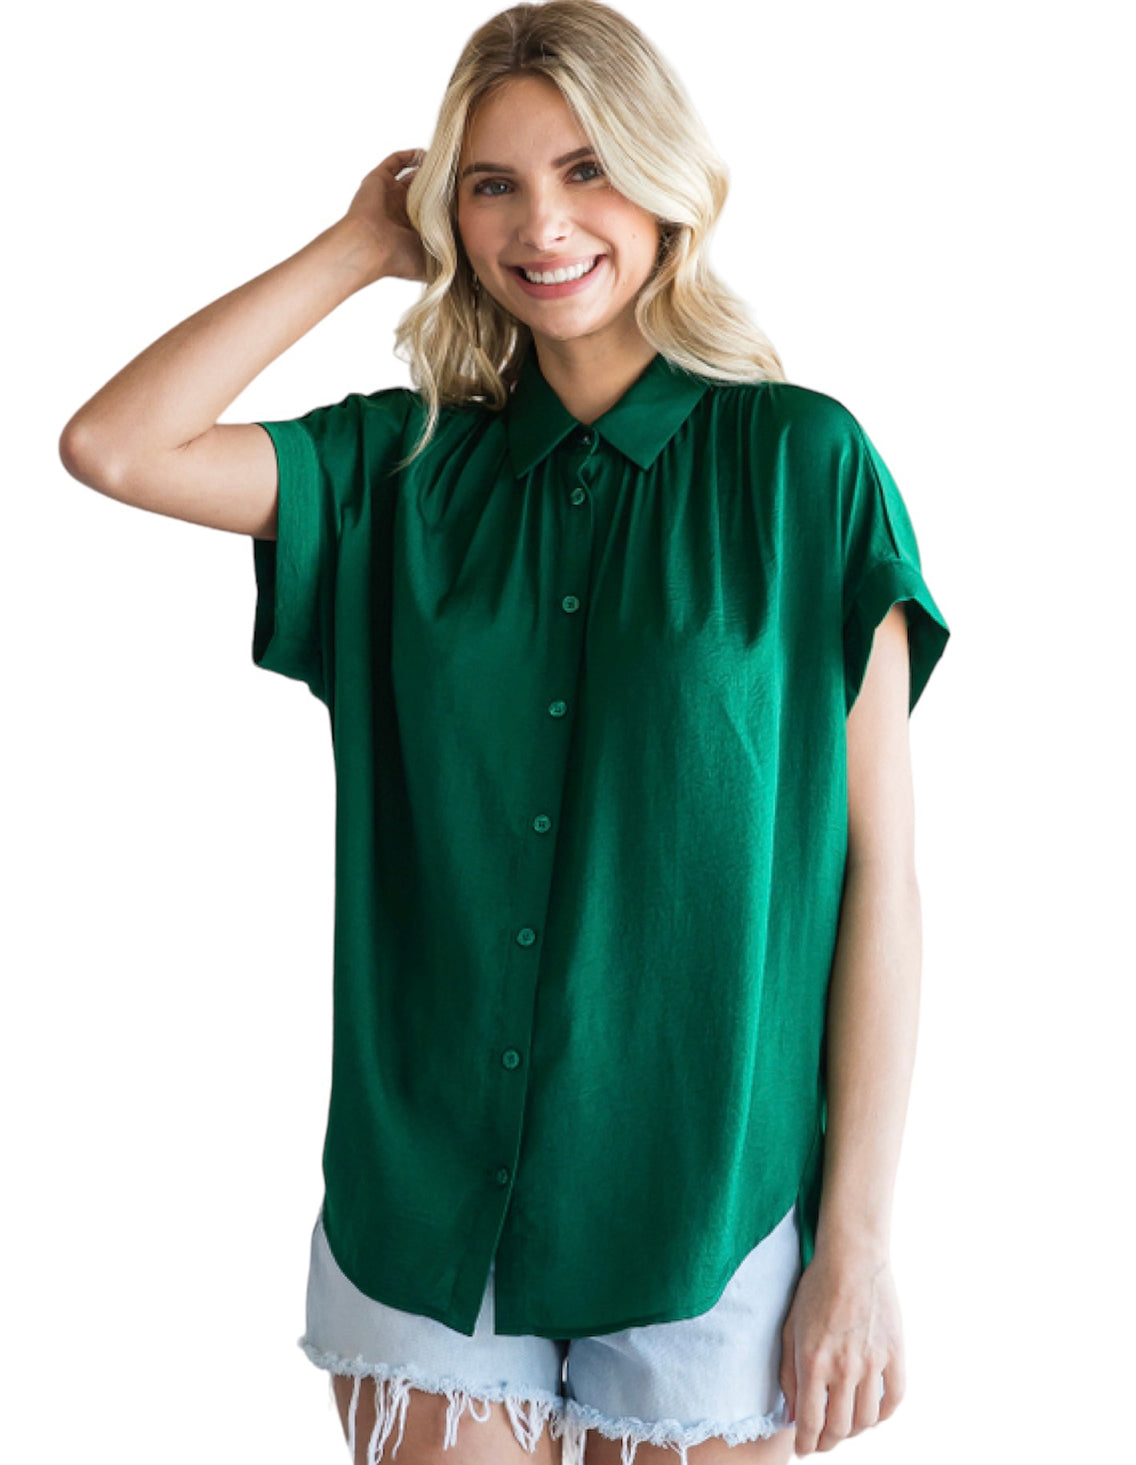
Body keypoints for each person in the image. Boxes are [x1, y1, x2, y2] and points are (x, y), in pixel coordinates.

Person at [58, 1, 951, 1461]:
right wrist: (358, 243)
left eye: (588, 169)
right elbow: (115, 446)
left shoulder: (803, 469)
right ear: (450, 214)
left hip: (711, 1206)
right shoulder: (401, 471)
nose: (543, 224)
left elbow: (882, 882)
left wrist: (855, 1242)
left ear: (664, 181)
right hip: (430, 1209)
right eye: (493, 184)